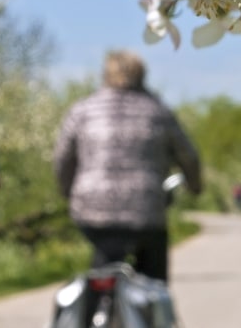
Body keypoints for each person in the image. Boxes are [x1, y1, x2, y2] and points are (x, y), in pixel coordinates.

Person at [52, 50, 202, 283]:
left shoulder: (83, 110)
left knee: (102, 265)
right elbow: (188, 156)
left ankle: (90, 309)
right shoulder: (158, 111)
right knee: (153, 279)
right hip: (146, 209)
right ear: (142, 76)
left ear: (105, 75)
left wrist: (66, 190)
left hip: (92, 209)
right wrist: (195, 186)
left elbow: (62, 158)